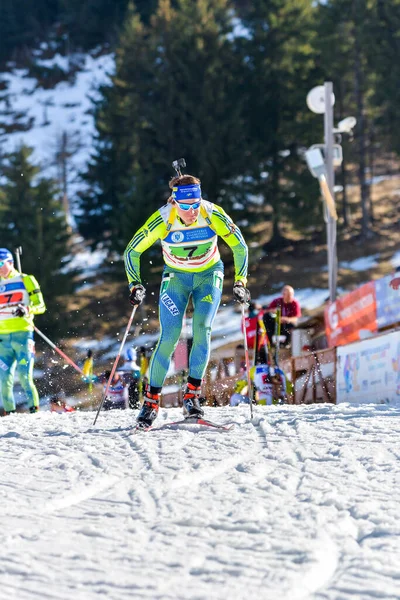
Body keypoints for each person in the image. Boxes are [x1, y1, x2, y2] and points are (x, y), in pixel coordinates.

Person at [124, 172, 249, 429]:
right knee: (170, 335)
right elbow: (132, 251)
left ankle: (192, 396)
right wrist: (135, 283)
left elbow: (240, 246)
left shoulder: (212, 213)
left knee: (202, 328)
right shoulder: (163, 218)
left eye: (196, 205)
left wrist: (240, 282)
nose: (192, 212)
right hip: (176, 279)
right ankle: (151, 402)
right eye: (186, 207)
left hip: (209, 275)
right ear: (175, 202)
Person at [0, 248, 46, 414]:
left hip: (23, 336)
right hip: (2, 341)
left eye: (0, 263)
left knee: (25, 377)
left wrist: (27, 309)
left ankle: (34, 411)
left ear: (11, 263)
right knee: (4, 380)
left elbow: (41, 306)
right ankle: (10, 414)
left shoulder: (26, 280)